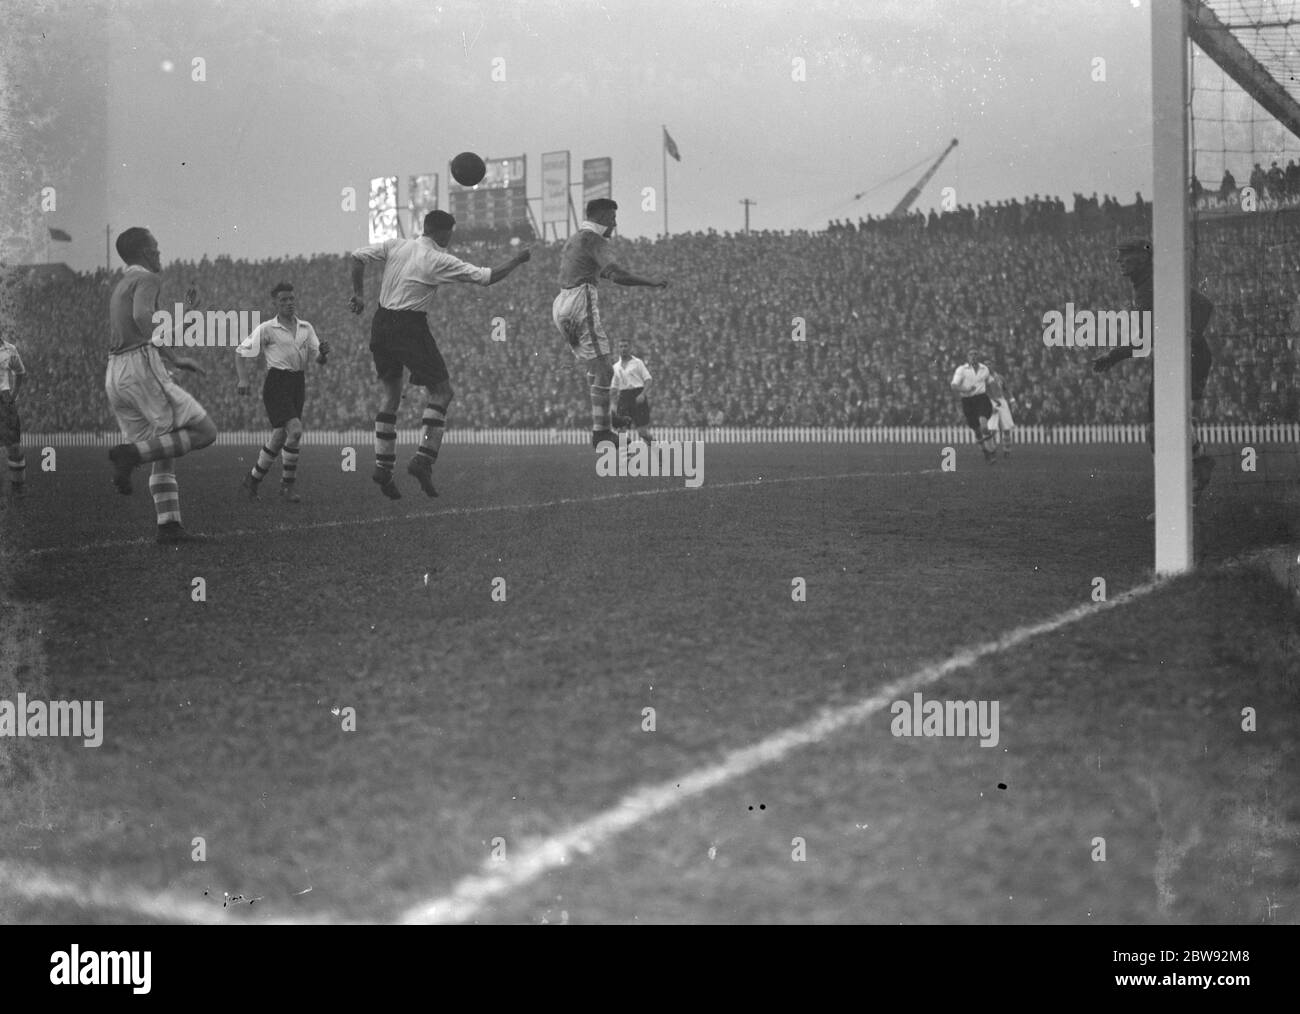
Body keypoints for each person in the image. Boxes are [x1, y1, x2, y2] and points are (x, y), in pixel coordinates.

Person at [348, 210, 531, 499]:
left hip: (380, 322)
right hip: (409, 325)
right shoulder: (436, 259)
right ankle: (423, 459)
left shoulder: (398, 245)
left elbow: (357, 256)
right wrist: (518, 261)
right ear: (443, 233)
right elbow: (487, 277)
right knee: (442, 392)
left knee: (390, 397)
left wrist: (358, 294)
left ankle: (383, 466)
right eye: (451, 233)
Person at [105, 228, 218, 544]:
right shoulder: (148, 280)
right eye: (155, 247)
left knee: (164, 444)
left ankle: (168, 526)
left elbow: (145, 330)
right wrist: (174, 357)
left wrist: (186, 317)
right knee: (205, 432)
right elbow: (145, 320)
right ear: (143, 252)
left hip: (116, 373)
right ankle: (130, 456)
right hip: (140, 366)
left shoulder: (121, 285)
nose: (159, 252)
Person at [1093, 236, 1215, 509]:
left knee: (1163, 427)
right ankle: (1197, 472)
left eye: (1125, 255)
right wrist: (1112, 357)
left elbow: (1206, 305)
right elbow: (1145, 339)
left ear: (1144, 256)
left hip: (1188, 358)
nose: (1118, 261)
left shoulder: (1160, 282)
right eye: (1118, 255)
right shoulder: (1143, 287)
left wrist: (1191, 335)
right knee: (1157, 428)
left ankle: (1179, 493)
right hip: (1170, 359)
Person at [552, 198, 668, 449]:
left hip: (561, 303)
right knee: (606, 368)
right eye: (613, 218)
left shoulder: (575, 239)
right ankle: (601, 432)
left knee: (596, 369)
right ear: (602, 217)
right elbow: (617, 275)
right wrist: (651, 282)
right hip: (579, 299)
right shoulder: (594, 240)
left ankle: (604, 418)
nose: (615, 224)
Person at [235, 281, 329, 502]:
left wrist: (323, 354)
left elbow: (319, 359)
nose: (288, 303)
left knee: (279, 437)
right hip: (277, 383)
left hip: (298, 383)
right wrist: (242, 378)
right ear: (275, 303)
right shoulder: (267, 328)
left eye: (291, 299)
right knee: (295, 431)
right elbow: (240, 352)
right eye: (283, 300)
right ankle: (287, 486)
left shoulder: (306, 327)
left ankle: (252, 480)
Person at [950, 348, 999, 463]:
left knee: (984, 425)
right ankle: (985, 451)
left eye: (975, 354)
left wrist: (996, 397)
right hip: (968, 401)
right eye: (971, 354)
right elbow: (954, 385)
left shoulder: (984, 369)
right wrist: (965, 389)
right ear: (967, 357)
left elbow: (991, 382)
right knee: (977, 431)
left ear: (978, 356)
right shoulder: (961, 370)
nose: (973, 356)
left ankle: (992, 451)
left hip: (981, 399)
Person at [610, 338, 654, 443]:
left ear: (630, 348)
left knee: (642, 432)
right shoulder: (615, 367)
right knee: (621, 430)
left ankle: (655, 447)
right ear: (618, 349)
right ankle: (628, 456)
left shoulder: (638, 362)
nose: (623, 349)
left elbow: (648, 379)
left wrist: (643, 394)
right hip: (624, 397)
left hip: (637, 394)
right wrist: (613, 404)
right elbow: (614, 387)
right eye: (621, 346)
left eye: (625, 346)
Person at [0, 331, 26, 497]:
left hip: (3, 397)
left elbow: (20, 372)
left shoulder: (9, 349)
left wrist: (14, 394)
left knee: (14, 446)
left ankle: (18, 488)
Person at [985, 366, 1015, 458]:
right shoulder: (983, 379)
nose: (988, 367)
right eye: (985, 365)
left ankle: (1007, 450)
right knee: (991, 429)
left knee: (1006, 428)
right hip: (991, 401)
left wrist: (1012, 401)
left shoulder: (1000, 377)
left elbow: (1006, 389)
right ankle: (991, 450)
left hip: (1002, 401)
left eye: (989, 364)